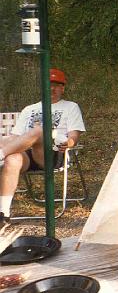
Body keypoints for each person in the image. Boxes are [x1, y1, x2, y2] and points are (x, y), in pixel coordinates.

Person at [0, 68, 86, 221]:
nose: (52, 88)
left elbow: (74, 135)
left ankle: (1, 154)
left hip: (54, 153)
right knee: (12, 159)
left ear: (63, 88)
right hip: (28, 152)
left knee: (40, 130)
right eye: (48, 84)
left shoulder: (71, 107)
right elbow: (15, 138)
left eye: (56, 85)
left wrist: (69, 143)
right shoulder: (29, 109)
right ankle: (3, 212)